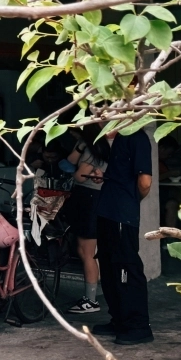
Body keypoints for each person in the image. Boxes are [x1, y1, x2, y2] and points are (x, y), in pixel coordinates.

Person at [93, 128, 154, 345]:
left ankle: (137, 326)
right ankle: (119, 319)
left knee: (126, 269)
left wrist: (128, 200)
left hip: (121, 214)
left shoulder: (137, 137)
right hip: (108, 211)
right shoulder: (120, 138)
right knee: (109, 268)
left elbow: (145, 182)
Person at [66, 127, 109, 314]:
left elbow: (80, 176)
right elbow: (70, 161)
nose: (70, 136)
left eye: (74, 133)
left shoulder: (94, 151)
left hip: (89, 198)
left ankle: (91, 301)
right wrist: (80, 145)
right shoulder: (91, 147)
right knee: (84, 250)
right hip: (89, 198)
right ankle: (90, 296)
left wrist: (73, 175)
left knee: (87, 252)